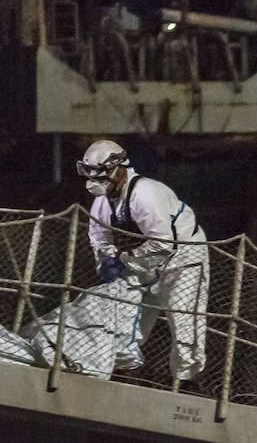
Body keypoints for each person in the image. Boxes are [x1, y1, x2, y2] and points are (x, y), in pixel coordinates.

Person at [77, 140, 209, 391]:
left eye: (100, 176)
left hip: (182, 255)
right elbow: (98, 235)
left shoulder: (145, 195)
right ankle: (126, 374)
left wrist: (125, 258)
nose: (94, 183)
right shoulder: (104, 200)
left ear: (118, 170)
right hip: (141, 257)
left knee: (183, 318)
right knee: (124, 313)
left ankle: (187, 384)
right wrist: (105, 262)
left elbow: (163, 243)